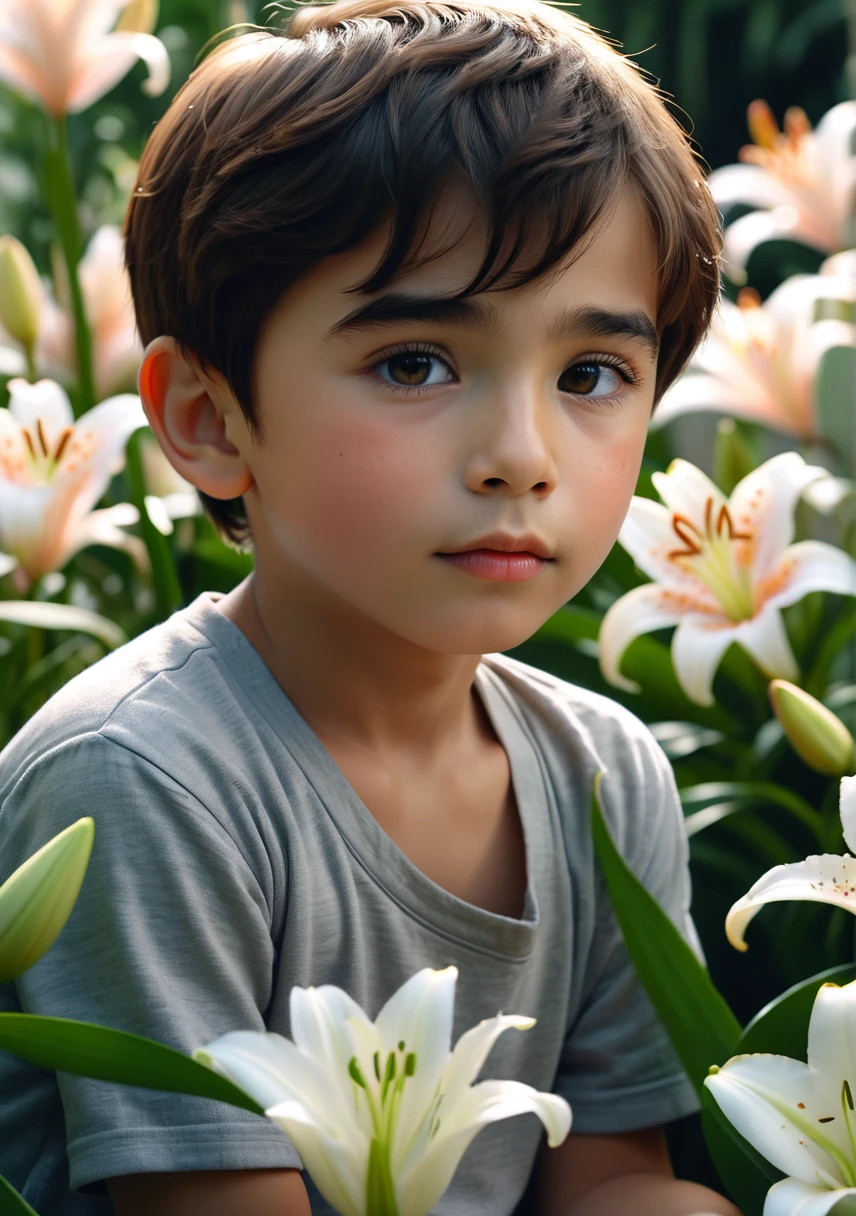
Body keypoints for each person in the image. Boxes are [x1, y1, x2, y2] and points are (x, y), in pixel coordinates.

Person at [0, 1, 741, 1213]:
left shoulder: (604, 777)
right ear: (207, 417)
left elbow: (609, 1177)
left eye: (591, 374)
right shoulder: (142, 776)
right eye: (415, 363)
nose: (521, 454)